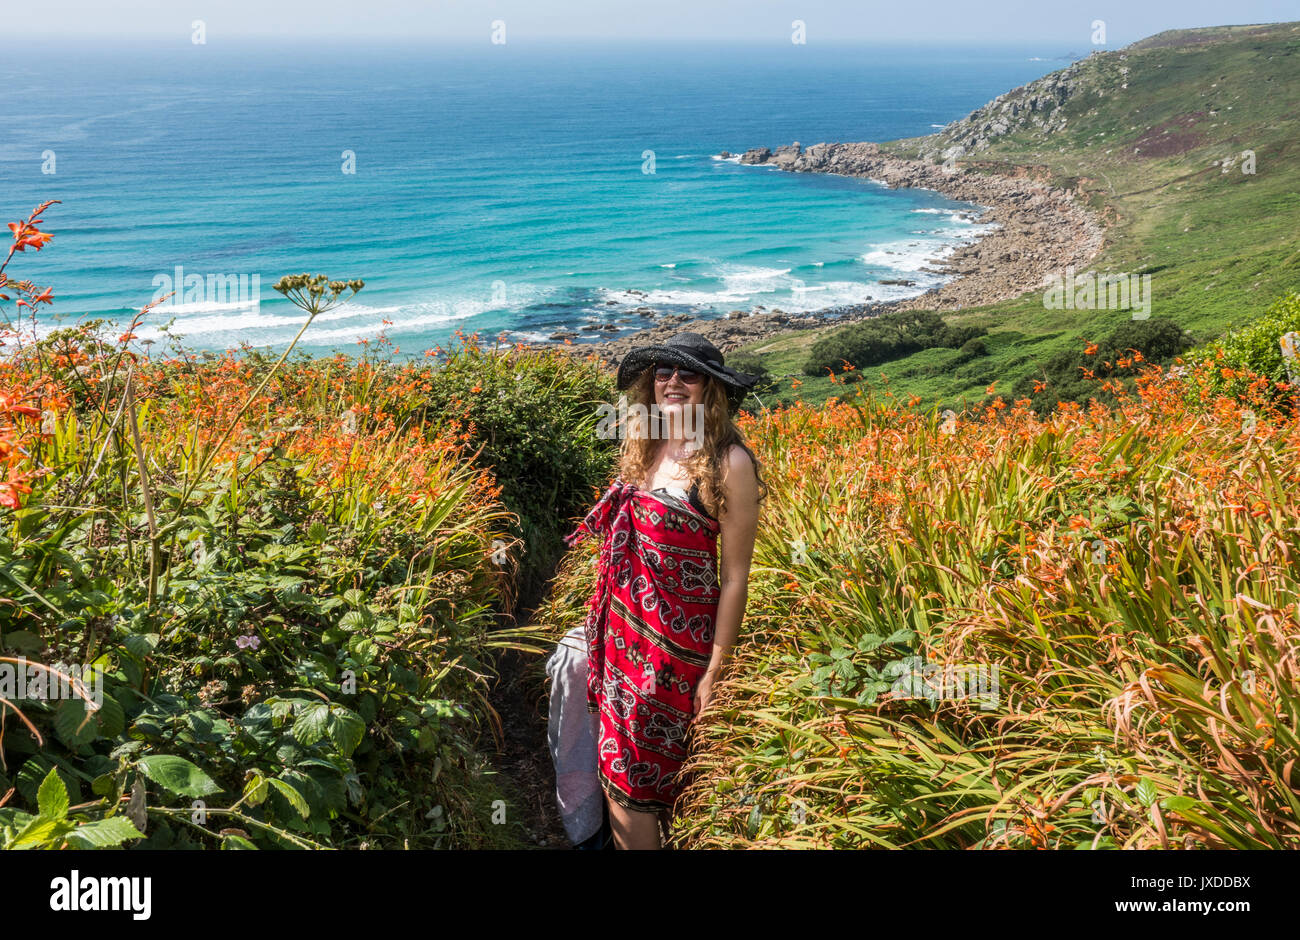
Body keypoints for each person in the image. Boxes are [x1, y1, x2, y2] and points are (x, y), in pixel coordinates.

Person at [553, 332, 767, 850]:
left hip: (671, 655)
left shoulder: (727, 463)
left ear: (711, 390)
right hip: (621, 637)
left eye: (687, 374)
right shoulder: (648, 444)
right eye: (663, 372)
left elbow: (736, 576)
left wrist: (717, 668)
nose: (672, 382)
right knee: (621, 767)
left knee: (633, 783)